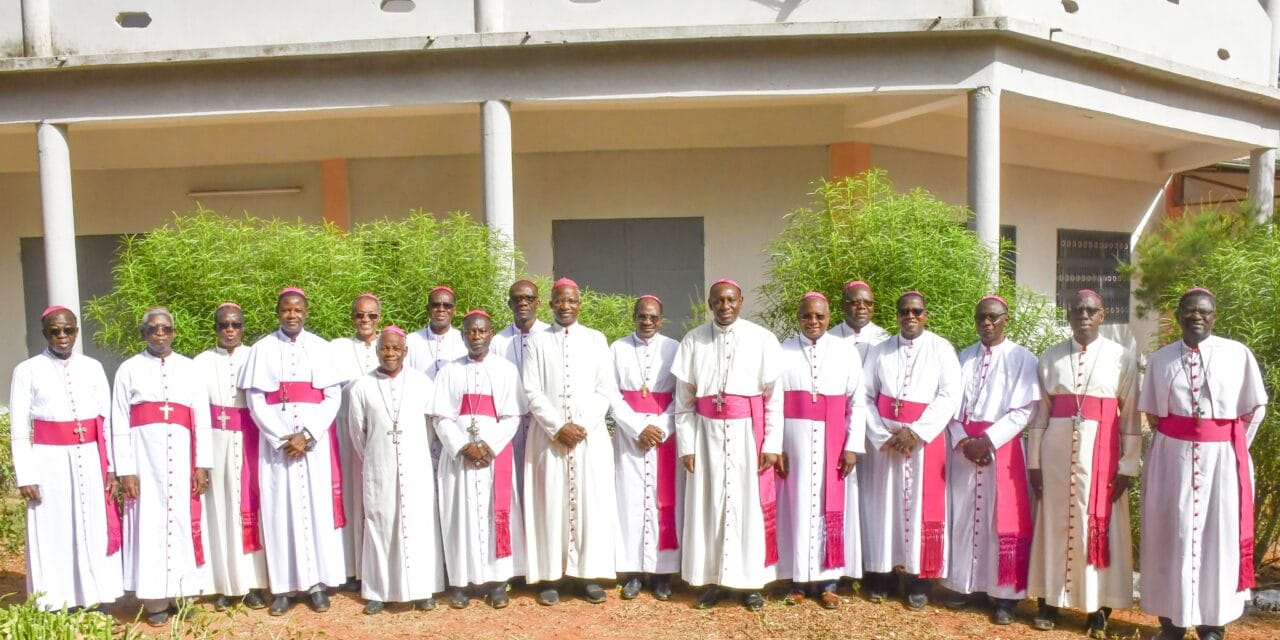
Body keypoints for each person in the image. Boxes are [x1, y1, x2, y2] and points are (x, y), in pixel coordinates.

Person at [1139, 288, 1267, 640]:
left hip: (1222, 463)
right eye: (1189, 311)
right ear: (1178, 315)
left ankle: (1213, 624)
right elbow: (1152, 413)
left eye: (1204, 312)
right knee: (1170, 536)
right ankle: (1172, 622)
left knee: (1218, 539)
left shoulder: (1237, 354)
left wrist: (1231, 446)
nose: (1196, 316)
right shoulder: (1160, 359)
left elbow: (1255, 408)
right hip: (1171, 463)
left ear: (1215, 316)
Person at [1027, 289, 1140, 635]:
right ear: (1068, 315)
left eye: (1091, 310)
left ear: (1103, 315)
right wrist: (1034, 463)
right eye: (1077, 310)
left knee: (1097, 528)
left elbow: (1132, 419)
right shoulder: (1050, 357)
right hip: (1056, 458)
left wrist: (1128, 466)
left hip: (1101, 458)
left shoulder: (1122, 358)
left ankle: (1098, 607)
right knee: (1054, 525)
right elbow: (1040, 416)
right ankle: (1049, 601)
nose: (1084, 316)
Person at [671, 278, 784, 611]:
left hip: (748, 434)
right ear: (710, 304)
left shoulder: (762, 339)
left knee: (746, 507)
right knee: (710, 506)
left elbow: (773, 399)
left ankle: (750, 583)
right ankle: (715, 580)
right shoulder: (693, 341)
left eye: (731, 300)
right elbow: (684, 403)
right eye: (718, 301)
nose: (725, 307)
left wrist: (772, 443)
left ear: (741, 301)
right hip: (706, 435)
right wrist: (687, 446)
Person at [239, 287, 347, 616]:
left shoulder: (321, 347)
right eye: (286, 310)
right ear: (278, 312)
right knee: (278, 512)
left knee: (314, 510)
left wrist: (308, 434)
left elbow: (333, 397)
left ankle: (317, 585)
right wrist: (282, 437)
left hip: (312, 447)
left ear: (306, 311)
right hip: (279, 448)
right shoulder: (261, 349)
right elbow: (255, 399)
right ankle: (283, 588)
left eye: (297, 310)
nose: (292, 315)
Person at [9, 306, 123, 612]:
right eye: (55, 331)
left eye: (68, 330)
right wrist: (26, 475)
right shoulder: (27, 370)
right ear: (44, 333)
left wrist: (112, 467)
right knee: (55, 529)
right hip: (49, 461)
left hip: (90, 455)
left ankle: (96, 597)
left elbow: (107, 421)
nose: (62, 336)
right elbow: (19, 429)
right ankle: (56, 601)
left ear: (76, 331)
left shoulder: (93, 367)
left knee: (93, 526)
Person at [860, 291, 962, 610]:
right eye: (904, 311)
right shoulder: (880, 350)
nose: (910, 316)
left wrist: (916, 432)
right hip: (887, 443)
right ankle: (885, 575)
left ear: (925, 314)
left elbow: (949, 395)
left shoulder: (942, 349)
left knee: (921, 509)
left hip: (923, 444)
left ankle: (919, 579)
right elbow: (863, 395)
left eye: (916, 311)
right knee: (885, 508)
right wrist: (881, 433)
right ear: (897, 315)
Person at [111, 307, 213, 626]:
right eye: (153, 329)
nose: (160, 334)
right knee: (149, 523)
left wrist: (202, 464)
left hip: (182, 459)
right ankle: (154, 600)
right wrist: (125, 469)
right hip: (144, 461)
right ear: (143, 333)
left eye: (166, 329)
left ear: (173, 333)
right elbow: (117, 422)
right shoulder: (128, 369)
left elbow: (203, 419)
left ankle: (183, 595)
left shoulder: (190, 368)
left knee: (183, 521)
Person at [941, 296, 1039, 624]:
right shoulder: (963, 356)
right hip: (965, 449)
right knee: (965, 515)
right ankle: (967, 586)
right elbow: (949, 403)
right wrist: (964, 441)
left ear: (1005, 320)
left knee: (1001, 523)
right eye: (982, 318)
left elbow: (1026, 408)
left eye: (993, 318)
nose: (987, 323)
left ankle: (1005, 596)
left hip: (1002, 448)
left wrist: (989, 441)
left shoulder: (1022, 358)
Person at [522, 278, 618, 606]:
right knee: (550, 503)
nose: (565, 306)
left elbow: (605, 389)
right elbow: (531, 389)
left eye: (571, 301)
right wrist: (557, 426)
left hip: (587, 438)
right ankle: (551, 576)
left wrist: (581, 425)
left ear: (580, 304)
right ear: (550, 304)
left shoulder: (596, 339)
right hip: (549, 438)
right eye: (559, 301)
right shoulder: (537, 342)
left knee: (590, 503)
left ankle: (587, 575)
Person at [344, 326, 445, 614]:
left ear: (405, 351)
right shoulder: (361, 387)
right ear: (377, 351)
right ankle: (378, 590)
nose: (390, 353)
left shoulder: (422, 383)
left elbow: (431, 429)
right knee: (380, 525)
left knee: (420, 525)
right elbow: (357, 432)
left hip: (416, 464)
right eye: (384, 348)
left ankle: (424, 589)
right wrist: (378, 456)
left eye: (395, 348)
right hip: (379, 466)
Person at [776, 292, 865, 609]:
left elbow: (858, 402)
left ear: (829, 317)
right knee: (796, 508)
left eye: (819, 317)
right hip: (794, 442)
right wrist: (775, 447)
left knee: (831, 509)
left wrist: (853, 446)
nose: (812, 322)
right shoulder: (782, 350)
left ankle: (829, 583)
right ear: (797, 317)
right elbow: (772, 403)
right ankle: (799, 580)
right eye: (806, 316)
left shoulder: (845, 352)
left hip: (834, 441)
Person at [435, 311, 526, 609]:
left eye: (482, 331)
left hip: (493, 458)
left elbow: (513, 416)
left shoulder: (506, 370)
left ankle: (497, 582)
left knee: (495, 515)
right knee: (459, 516)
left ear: (490, 334)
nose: (476, 337)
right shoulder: (449, 371)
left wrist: (489, 446)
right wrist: (463, 446)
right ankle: (461, 582)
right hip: (460, 460)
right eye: (470, 332)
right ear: (462, 336)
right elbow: (440, 417)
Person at [193, 303, 268, 611]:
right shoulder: (199, 362)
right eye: (224, 325)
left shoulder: (256, 357)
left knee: (249, 510)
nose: (229, 330)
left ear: (243, 327)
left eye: (235, 325)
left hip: (250, 439)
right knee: (219, 511)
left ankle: (252, 584)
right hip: (215, 439)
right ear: (215, 328)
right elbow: (197, 411)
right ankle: (222, 584)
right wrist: (201, 459)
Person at [608, 295, 681, 601]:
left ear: (661, 319)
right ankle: (634, 572)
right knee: (630, 502)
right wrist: (637, 427)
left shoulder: (674, 348)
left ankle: (663, 574)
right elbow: (610, 393)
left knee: (663, 501)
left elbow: (683, 395)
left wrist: (661, 427)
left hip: (664, 436)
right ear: (633, 318)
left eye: (653, 317)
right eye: (642, 317)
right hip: (630, 437)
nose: (647, 322)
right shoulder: (617, 348)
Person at [329, 292, 384, 592]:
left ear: (379, 318)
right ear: (352, 318)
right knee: (350, 497)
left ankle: (375, 567)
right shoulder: (336, 349)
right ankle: (352, 568)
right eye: (360, 315)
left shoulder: (389, 345)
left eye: (371, 316)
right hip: (346, 436)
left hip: (380, 438)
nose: (365, 320)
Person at [490, 279, 549, 497]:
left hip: (541, 421)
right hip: (510, 420)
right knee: (513, 483)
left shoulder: (548, 335)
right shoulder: (497, 341)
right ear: (509, 304)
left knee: (541, 482)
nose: (523, 303)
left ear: (538, 303)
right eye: (517, 299)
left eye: (528, 298)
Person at [408, 285, 467, 379]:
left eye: (447, 305)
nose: (441, 309)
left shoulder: (463, 340)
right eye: (435, 305)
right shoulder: (411, 340)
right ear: (428, 309)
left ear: (454, 310)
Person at [828, 280, 891, 360]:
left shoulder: (884, 338)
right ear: (843, 305)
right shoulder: (829, 337)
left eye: (868, 303)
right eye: (855, 302)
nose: (862, 307)